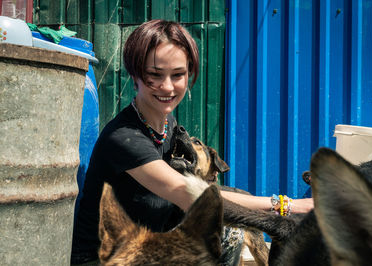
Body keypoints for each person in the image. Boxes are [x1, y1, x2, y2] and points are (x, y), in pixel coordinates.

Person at [71, 19, 313, 265]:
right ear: (136, 75)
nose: (167, 86)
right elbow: (188, 194)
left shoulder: (168, 126)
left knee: (226, 232)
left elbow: (202, 191)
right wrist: (286, 206)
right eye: (154, 75)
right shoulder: (123, 138)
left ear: (189, 74)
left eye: (178, 75)